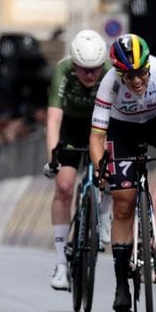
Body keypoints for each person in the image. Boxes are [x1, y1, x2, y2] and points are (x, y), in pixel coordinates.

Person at [88, 33, 156, 312]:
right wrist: (100, 168)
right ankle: (122, 285)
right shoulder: (108, 84)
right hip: (122, 129)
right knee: (123, 201)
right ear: (117, 73)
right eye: (128, 75)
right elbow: (97, 137)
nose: (136, 81)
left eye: (140, 73)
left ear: (148, 65)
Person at [43, 29, 111, 291]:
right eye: (84, 69)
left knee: (113, 168)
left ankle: (105, 212)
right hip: (70, 126)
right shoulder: (63, 70)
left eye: (95, 69)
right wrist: (53, 158)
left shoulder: (110, 71)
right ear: (74, 63)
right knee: (64, 186)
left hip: (101, 126)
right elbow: (53, 119)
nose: (90, 75)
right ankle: (61, 263)